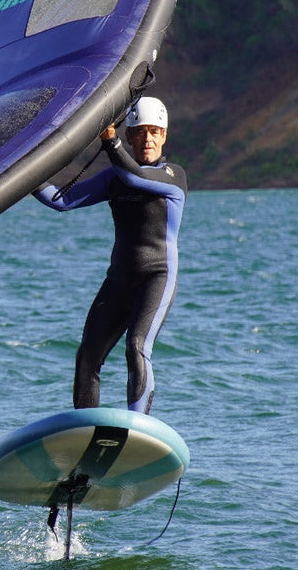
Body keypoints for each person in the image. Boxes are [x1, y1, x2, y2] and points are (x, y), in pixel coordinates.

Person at [33, 97, 187, 414]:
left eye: (155, 132)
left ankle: (137, 428)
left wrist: (110, 143)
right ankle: (83, 431)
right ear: (130, 136)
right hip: (119, 280)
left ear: (164, 136)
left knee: (136, 348)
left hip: (157, 276)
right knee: (88, 355)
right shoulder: (112, 179)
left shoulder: (173, 177)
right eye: (141, 132)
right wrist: (24, 174)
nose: (148, 139)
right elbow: (62, 200)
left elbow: (136, 176)